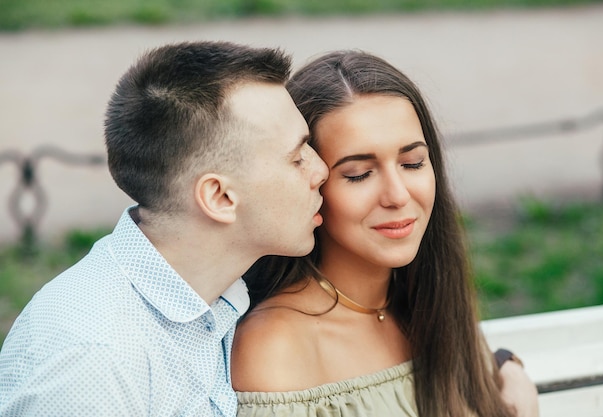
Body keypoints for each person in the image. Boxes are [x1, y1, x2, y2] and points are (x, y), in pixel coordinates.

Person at [0, 41, 328, 416]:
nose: (321, 171)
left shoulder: (221, 292)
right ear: (219, 197)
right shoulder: (91, 361)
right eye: (298, 157)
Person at [231, 50, 539, 417]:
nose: (398, 195)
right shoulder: (276, 348)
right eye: (359, 173)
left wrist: (510, 371)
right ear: (309, 182)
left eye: (412, 163)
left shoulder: (429, 303)